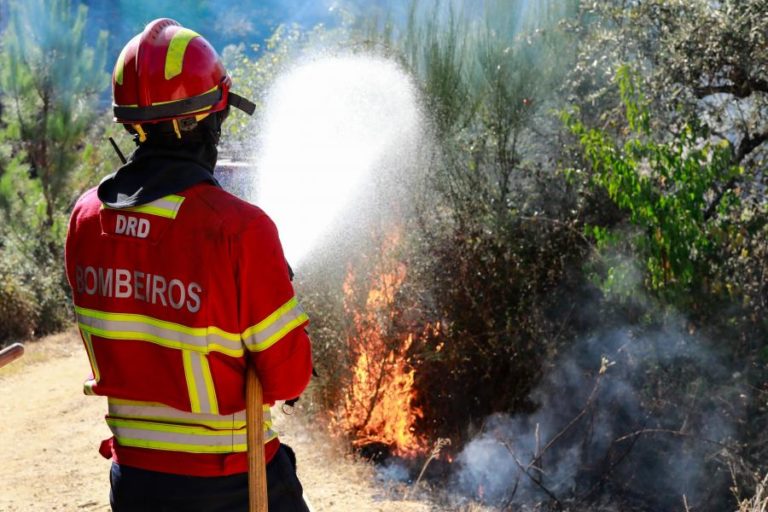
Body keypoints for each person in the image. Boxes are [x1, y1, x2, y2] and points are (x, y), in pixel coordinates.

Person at [64, 18, 313, 511]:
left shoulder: (85, 218)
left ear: (132, 125)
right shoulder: (238, 229)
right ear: (208, 120)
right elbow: (287, 379)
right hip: (232, 482)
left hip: (135, 483)